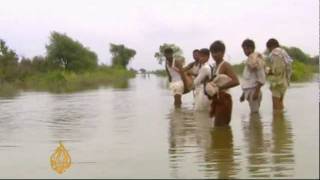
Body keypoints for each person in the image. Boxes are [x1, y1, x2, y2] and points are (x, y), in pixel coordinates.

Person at [209, 40, 239, 126]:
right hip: (217, 99)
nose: (214, 55)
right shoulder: (214, 66)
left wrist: (219, 88)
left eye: (216, 52)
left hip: (225, 99)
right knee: (217, 127)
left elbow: (236, 81)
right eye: (212, 52)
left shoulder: (225, 65)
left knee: (221, 126)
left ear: (222, 53)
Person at [240, 39, 266, 114]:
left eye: (245, 49)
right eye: (243, 49)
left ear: (251, 48)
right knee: (253, 113)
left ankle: (256, 125)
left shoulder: (256, 60)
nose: (244, 51)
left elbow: (261, 77)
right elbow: (247, 80)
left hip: (254, 90)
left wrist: (256, 92)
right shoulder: (249, 61)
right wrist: (243, 95)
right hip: (249, 91)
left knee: (255, 114)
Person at [265, 38, 292, 111]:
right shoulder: (283, 52)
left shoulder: (275, 53)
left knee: (276, 108)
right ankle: (281, 122)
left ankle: (277, 122)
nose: (268, 50)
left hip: (278, 83)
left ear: (271, 46)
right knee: (280, 106)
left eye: (268, 48)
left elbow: (277, 71)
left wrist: (267, 70)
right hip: (284, 81)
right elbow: (288, 68)